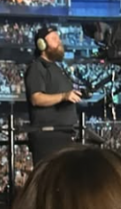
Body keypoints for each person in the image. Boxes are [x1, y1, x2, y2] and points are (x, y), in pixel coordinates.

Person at [23, 26, 81, 165]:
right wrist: (63, 96)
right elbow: (36, 98)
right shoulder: (37, 68)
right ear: (41, 44)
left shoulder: (56, 68)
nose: (59, 42)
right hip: (49, 138)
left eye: (58, 38)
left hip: (64, 135)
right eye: (54, 39)